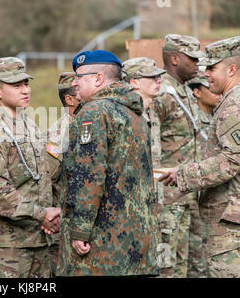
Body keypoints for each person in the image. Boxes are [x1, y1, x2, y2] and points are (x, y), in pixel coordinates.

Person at [57, 50, 159, 276]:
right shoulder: (135, 113)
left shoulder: (95, 111)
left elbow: (89, 176)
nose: (73, 84)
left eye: (78, 77)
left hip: (103, 249)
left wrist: (80, 231)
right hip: (138, 244)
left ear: (98, 79)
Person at [0, 57, 60, 278]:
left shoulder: (30, 126)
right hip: (5, 245)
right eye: (16, 85)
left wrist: (50, 216)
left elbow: (42, 178)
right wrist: (42, 215)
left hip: (37, 239)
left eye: (26, 84)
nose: (25, 90)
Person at [160, 36, 240, 278]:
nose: (205, 74)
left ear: (232, 69)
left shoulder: (233, 104)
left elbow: (232, 160)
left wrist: (182, 175)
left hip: (229, 221)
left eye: (212, 68)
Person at [151, 34, 207, 278]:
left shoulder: (183, 91)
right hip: (167, 199)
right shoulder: (162, 94)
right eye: (192, 59)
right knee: (167, 268)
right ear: (174, 59)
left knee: (186, 265)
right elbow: (150, 145)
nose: (197, 64)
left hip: (187, 195)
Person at [42, 72, 80, 276]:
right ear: (69, 99)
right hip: (65, 232)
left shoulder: (91, 125)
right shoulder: (57, 136)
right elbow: (46, 182)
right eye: (79, 91)